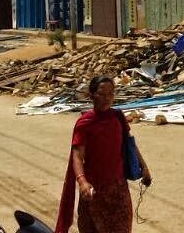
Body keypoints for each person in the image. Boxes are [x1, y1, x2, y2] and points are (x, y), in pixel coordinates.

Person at [55, 76, 152, 233]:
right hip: (94, 190)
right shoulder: (85, 123)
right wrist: (82, 181)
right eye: (101, 94)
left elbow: (130, 144)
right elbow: (77, 155)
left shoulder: (118, 117)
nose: (107, 99)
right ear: (92, 95)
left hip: (118, 189)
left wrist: (144, 167)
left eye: (110, 94)